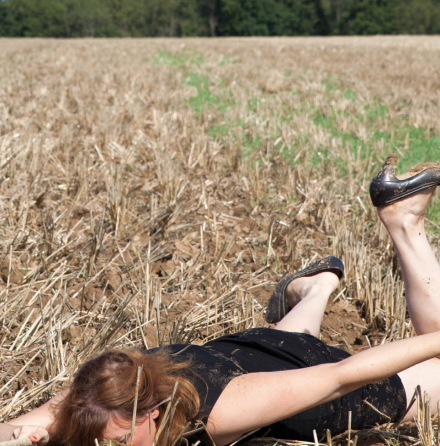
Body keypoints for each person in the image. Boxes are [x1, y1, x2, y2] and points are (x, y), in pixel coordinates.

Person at [2, 156, 440, 446]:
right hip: (252, 352)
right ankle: (317, 286)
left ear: (154, 413)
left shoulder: (218, 411)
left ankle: (404, 225)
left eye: (118, 443)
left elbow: (342, 376)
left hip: (318, 390)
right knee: (285, 343)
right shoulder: (94, 402)